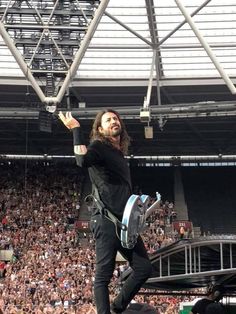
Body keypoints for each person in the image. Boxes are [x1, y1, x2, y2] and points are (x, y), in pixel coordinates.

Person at [59, 109, 152, 314]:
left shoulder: (118, 153)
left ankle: (117, 308)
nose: (113, 121)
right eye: (108, 120)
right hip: (106, 219)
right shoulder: (99, 146)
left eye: (115, 118)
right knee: (103, 275)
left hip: (126, 222)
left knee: (144, 268)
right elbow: (82, 160)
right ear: (100, 129)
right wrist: (76, 129)